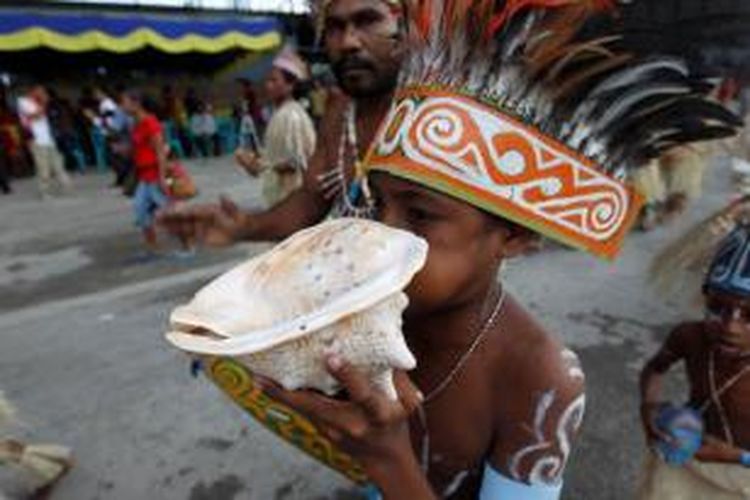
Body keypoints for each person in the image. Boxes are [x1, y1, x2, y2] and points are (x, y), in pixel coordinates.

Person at [158, 0, 404, 244]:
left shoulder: (434, 110)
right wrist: (243, 226)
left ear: (404, 25)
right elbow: (309, 201)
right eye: (335, 27)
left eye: (368, 20)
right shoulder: (339, 113)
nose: (348, 42)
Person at [639, 220, 750, 499]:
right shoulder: (690, 337)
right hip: (683, 464)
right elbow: (655, 368)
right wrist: (649, 405)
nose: (730, 326)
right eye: (717, 307)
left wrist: (739, 457)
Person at [235, 46, 317, 206]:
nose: (268, 85)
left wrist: (255, 165)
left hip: (290, 201)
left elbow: (291, 165)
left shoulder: (290, 116)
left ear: (290, 85)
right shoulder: (281, 113)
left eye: (274, 80)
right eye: (267, 80)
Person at [119, 89, 171, 256]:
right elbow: (137, 148)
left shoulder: (150, 122)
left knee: (170, 213)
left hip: (155, 174)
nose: (122, 106)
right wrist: (124, 150)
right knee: (140, 211)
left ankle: (189, 242)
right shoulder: (136, 124)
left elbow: (160, 151)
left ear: (136, 103)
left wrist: (162, 177)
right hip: (143, 175)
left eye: (125, 102)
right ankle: (153, 247)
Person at [17, 85, 72, 199]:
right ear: (33, 92)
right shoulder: (24, 102)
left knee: (58, 163)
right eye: (41, 92)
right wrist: (44, 103)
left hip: (48, 139)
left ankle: (66, 185)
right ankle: (44, 192)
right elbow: (36, 116)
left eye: (44, 92)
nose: (43, 94)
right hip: (37, 140)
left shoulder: (38, 102)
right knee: (43, 168)